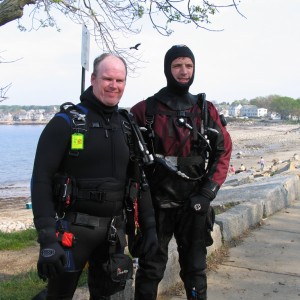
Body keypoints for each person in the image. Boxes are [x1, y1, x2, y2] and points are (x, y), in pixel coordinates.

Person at [31, 53, 158, 300]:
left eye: (120, 80)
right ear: (93, 78)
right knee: (57, 296)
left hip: (113, 232)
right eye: (108, 78)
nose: (114, 85)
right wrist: (47, 237)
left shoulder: (127, 126)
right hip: (73, 231)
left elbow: (139, 182)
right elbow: (41, 180)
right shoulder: (65, 123)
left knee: (105, 296)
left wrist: (150, 227)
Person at [130, 45, 232, 300]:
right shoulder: (145, 110)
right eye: (177, 65)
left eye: (188, 65)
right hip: (155, 206)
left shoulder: (205, 110)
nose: (184, 71)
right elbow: (128, 158)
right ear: (167, 69)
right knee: (150, 269)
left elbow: (224, 151)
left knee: (195, 269)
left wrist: (207, 193)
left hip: (194, 204)